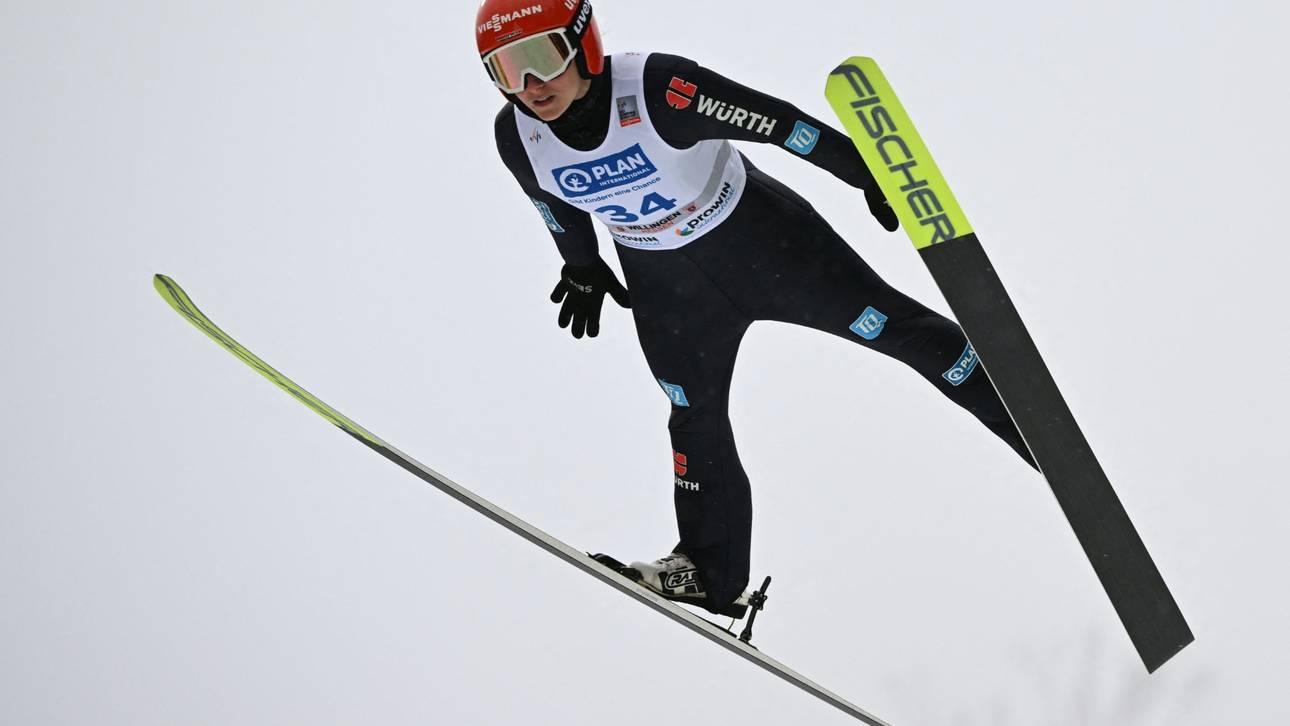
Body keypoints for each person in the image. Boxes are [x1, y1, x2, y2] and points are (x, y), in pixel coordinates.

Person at [477, 0, 1036, 617]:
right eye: (504, 69)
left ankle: (1035, 429)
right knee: (692, 415)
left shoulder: (659, 89)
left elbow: (780, 125)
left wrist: (863, 171)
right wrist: (580, 267)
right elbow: (553, 206)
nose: (529, 86)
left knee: (897, 331)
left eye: (541, 58)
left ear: (583, 44)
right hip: (670, 293)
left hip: (766, 246)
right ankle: (708, 571)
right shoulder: (517, 138)